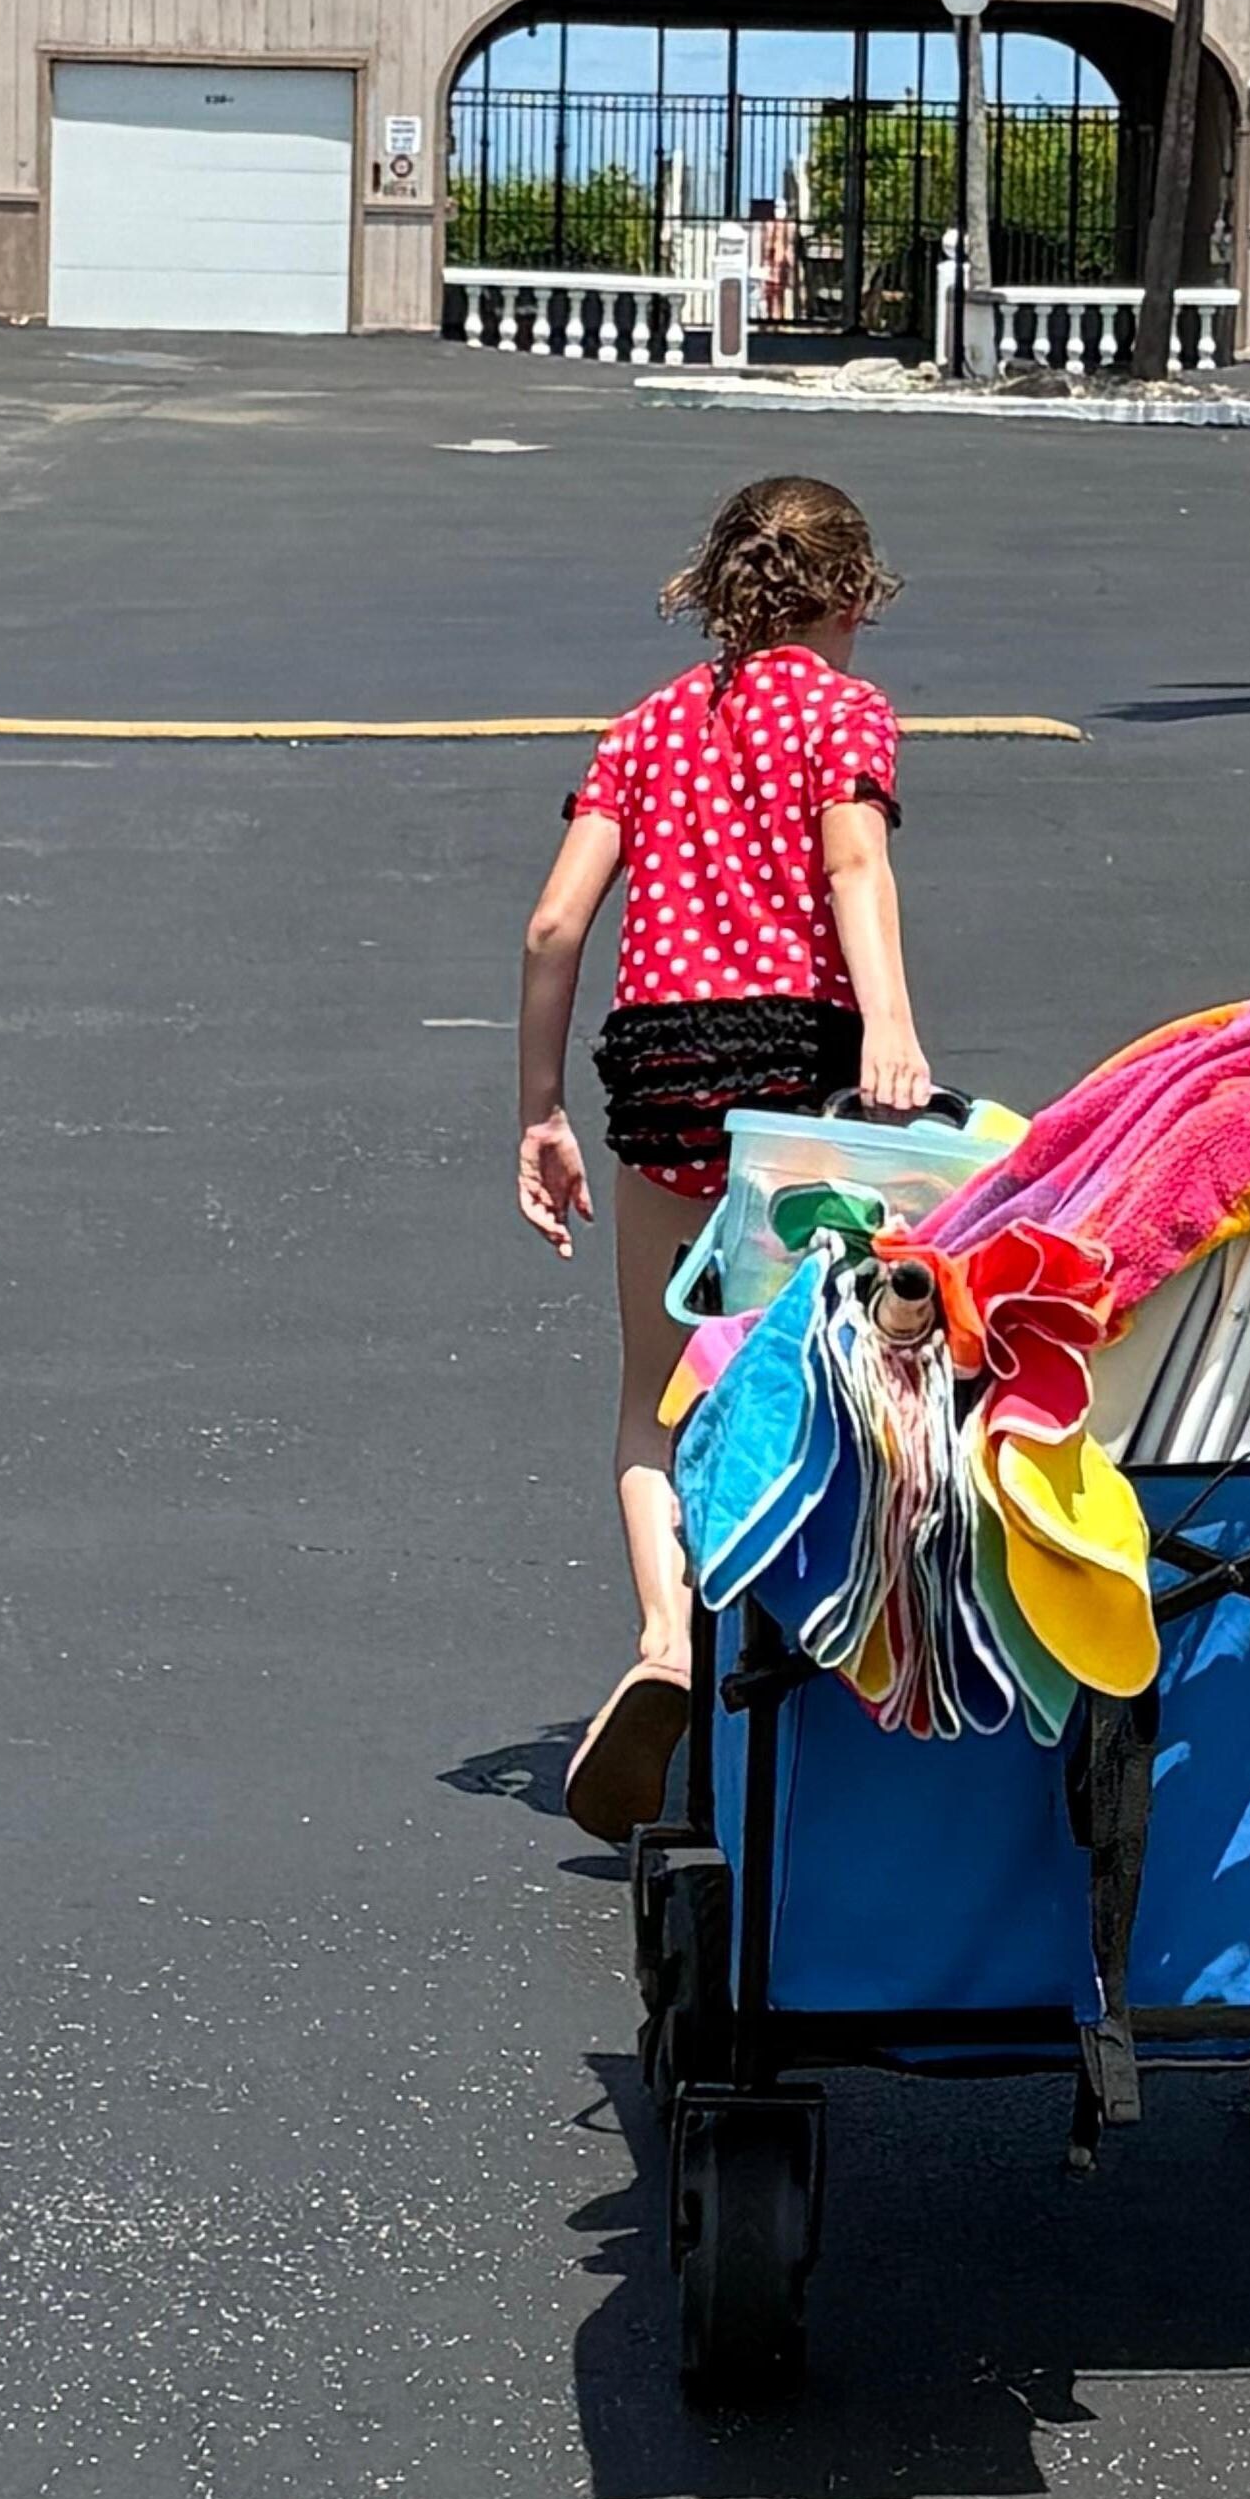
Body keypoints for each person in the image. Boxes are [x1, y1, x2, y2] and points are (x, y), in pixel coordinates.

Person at [517, 473, 933, 1840]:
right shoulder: (842, 711)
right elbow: (855, 865)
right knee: (819, 1366)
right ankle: (816, 1663)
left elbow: (553, 928)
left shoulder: (643, 729)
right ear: (848, 597)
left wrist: (541, 1110)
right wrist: (889, 1025)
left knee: (653, 1391)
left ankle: (662, 1642)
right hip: (796, 1067)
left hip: (661, 1073)